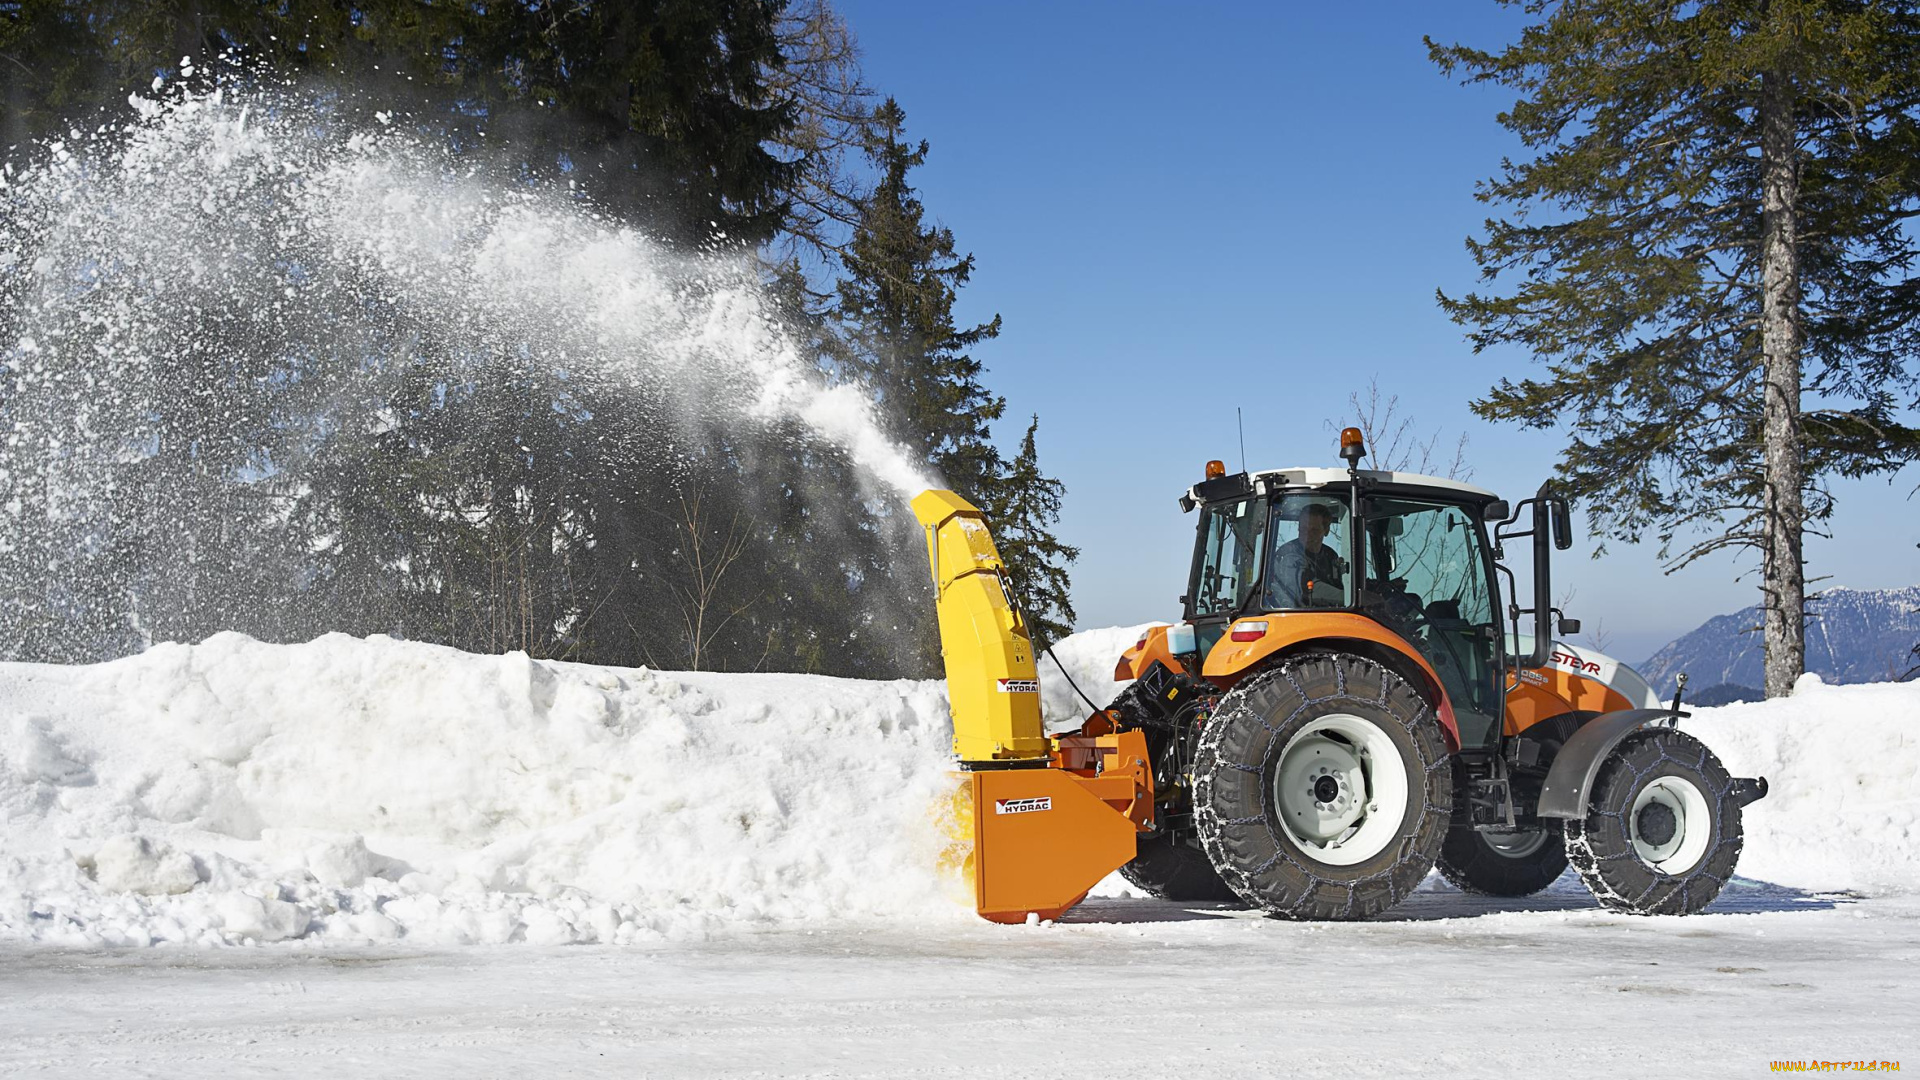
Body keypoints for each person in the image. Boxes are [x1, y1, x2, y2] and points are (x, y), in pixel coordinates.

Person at [1269, 503, 1346, 608]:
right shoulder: (1288, 555)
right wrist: (1351, 597)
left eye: (1314, 530)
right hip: (1295, 616)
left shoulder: (1330, 555)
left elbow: (1339, 585)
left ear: (1326, 530)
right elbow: (1307, 588)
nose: (1307, 535)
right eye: (1303, 529)